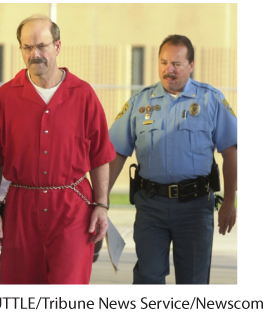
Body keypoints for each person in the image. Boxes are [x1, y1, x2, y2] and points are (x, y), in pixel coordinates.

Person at [0, 14, 116, 284]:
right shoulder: (6, 96)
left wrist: (102, 206)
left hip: (73, 209)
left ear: (58, 46)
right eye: (27, 47)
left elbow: (100, 156)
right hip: (21, 210)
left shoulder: (84, 94)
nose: (34, 54)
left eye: (41, 46)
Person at [109, 34, 237, 284]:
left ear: (191, 65)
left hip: (195, 207)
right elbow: (116, 152)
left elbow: (231, 152)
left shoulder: (211, 100)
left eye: (177, 64)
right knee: (148, 278)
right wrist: (100, 202)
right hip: (151, 206)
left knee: (193, 282)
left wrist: (230, 202)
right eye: (164, 62)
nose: (169, 70)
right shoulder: (139, 102)